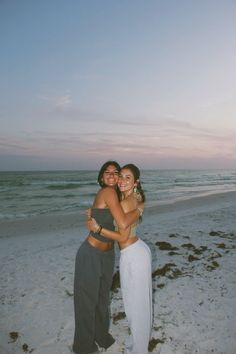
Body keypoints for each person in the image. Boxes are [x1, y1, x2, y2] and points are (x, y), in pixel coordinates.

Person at [73, 161, 143, 354]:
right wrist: (140, 208)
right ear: (101, 177)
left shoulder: (117, 195)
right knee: (86, 302)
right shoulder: (108, 192)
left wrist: (92, 214)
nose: (112, 175)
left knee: (102, 299)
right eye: (107, 172)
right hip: (91, 253)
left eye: (116, 172)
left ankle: (101, 336)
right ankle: (83, 347)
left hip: (107, 255)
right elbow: (121, 222)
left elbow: (103, 214)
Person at [88, 164, 152, 354]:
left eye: (127, 178)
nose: (122, 181)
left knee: (136, 306)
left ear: (136, 182)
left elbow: (122, 235)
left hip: (133, 253)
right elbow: (127, 214)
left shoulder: (126, 202)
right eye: (121, 176)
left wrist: (97, 228)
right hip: (135, 252)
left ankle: (139, 350)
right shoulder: (132, 198)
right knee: (137, 302)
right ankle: (137, 344)